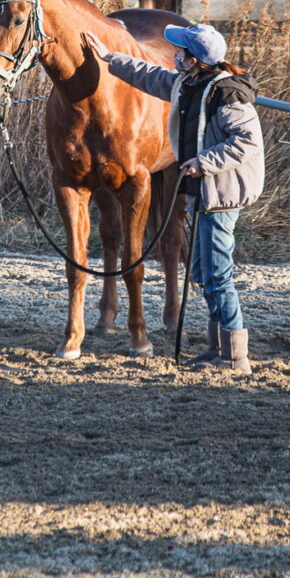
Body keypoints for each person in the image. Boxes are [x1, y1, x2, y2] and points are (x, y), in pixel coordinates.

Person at [85, 22, 264, 374]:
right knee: (202, 270)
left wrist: (204, 161)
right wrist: (110, 58)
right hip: (202, 190)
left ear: (195, 59)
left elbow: (246, 141)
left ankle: (234, 354)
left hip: (221, 192)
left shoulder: (226, 96)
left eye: (181, 51)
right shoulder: (187, 83)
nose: (175, 54)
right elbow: (149, 75)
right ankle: (217, 347)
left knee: (217, 275)